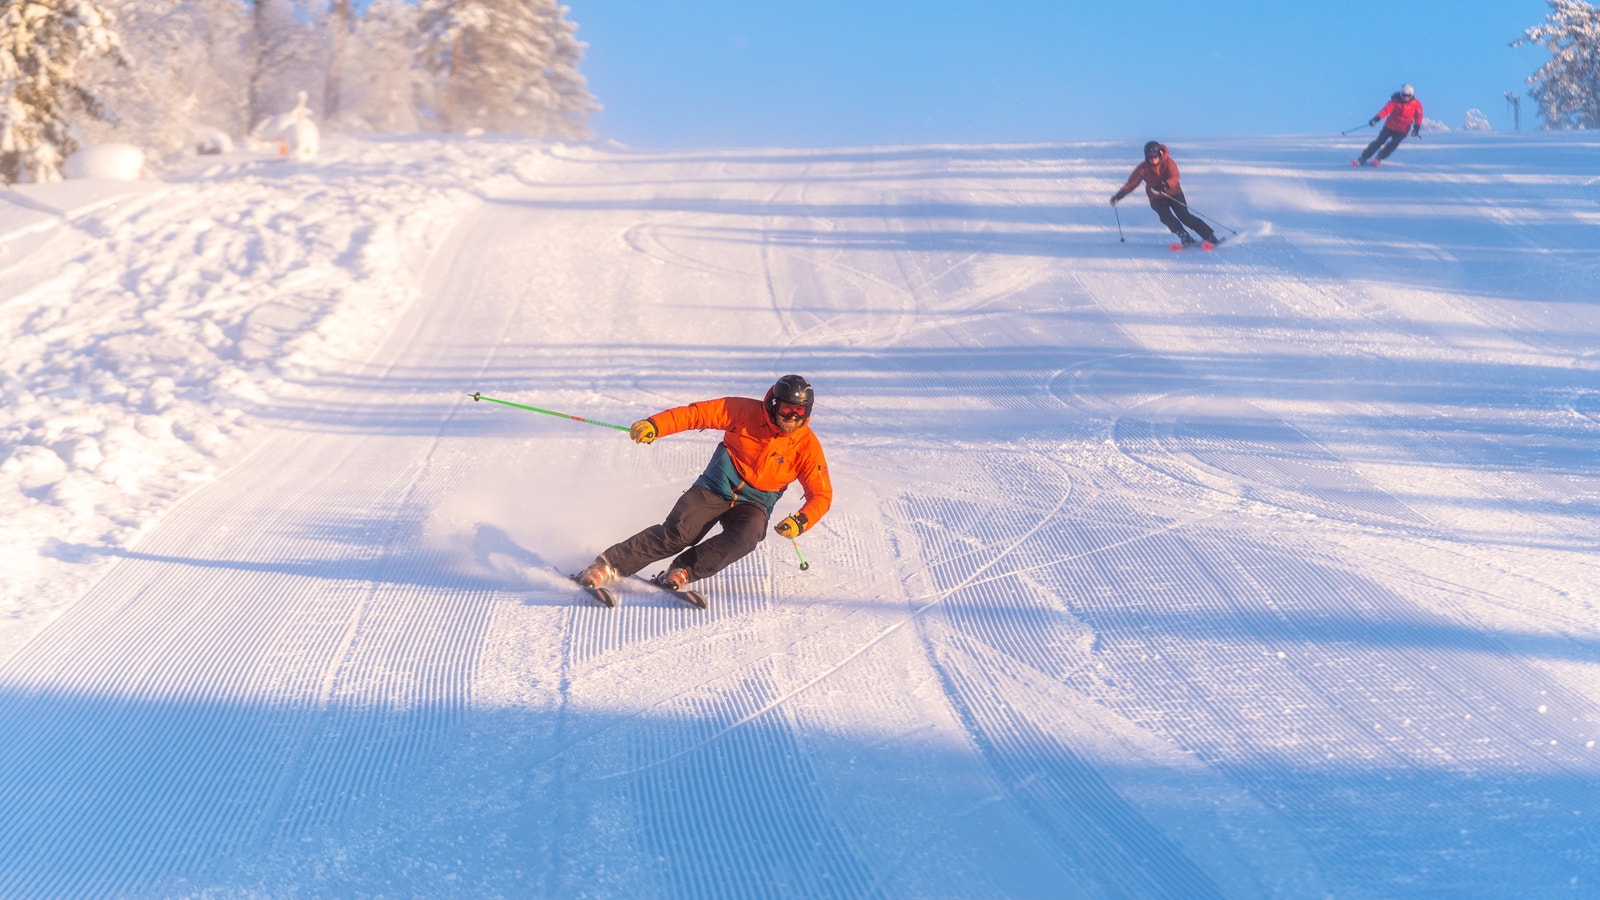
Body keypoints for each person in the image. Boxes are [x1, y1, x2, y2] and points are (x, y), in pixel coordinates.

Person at [575, 374, 833, 595]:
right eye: (787, 409)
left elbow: (821, 494)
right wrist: (655, 425)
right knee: (679, 534)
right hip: (715, 486)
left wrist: (800, 521)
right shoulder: (744, 411)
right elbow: (697, 414)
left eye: (800, 412)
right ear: (774, 404)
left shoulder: (807, 447)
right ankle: (607, 566)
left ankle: (683, 571)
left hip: (755, 503)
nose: (792, 417)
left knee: (747, 536)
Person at [1110, 141, 1221, 247]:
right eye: (1149, 155)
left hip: (1174, 193)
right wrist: (1119, 195)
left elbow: (1175, 176)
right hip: (1156, 197)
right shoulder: (1143, 168)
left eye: (1154, 154)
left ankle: (1209, 236)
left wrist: (1164, 185)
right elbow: (1131, 184)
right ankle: (1183, 235)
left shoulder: (1168, 162)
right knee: (1165, 216)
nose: (1152, 158)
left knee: (1184, 216)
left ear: (1159, 153)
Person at [1355, 84, 1424, 167]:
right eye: (1403, 95)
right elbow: (1385, 110)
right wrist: (1376, 118)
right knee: (1379, 141)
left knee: (1393, 144)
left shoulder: (1416, 104)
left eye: (1408, 95)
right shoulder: (1394, 101)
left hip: (1403, 129)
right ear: (1400, 94)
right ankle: (1363, 158)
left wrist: (1416, 127)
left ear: (1412, 95)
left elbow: (1418, 116)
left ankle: (1379, 158)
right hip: (1390, 126)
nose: (1405, 97)